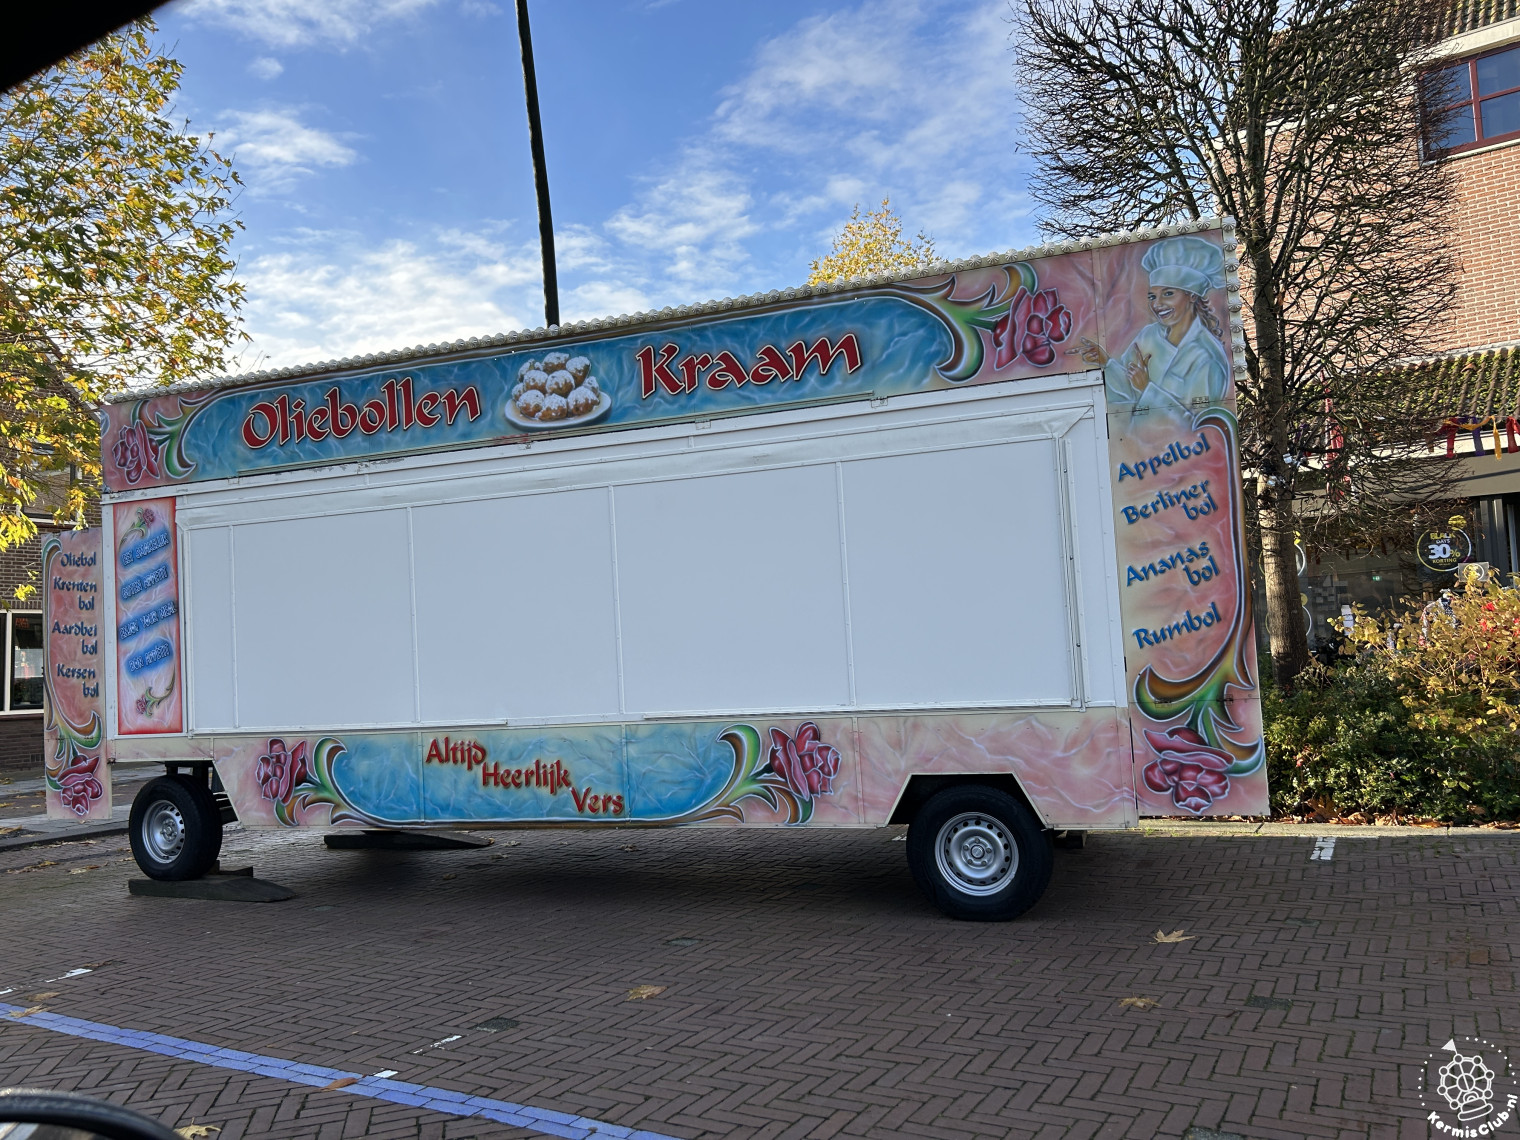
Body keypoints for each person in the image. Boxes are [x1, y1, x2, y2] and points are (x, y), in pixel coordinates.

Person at [1078, 236, 1231, 417]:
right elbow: (1127, 388)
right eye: (1152, 297)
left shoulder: (1208, 358)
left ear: (1192, 295)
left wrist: (1147, 389)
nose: (1157, 304)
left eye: (1168, 294)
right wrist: (1107, 363)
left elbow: (1198, 424)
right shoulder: (1148, 335)